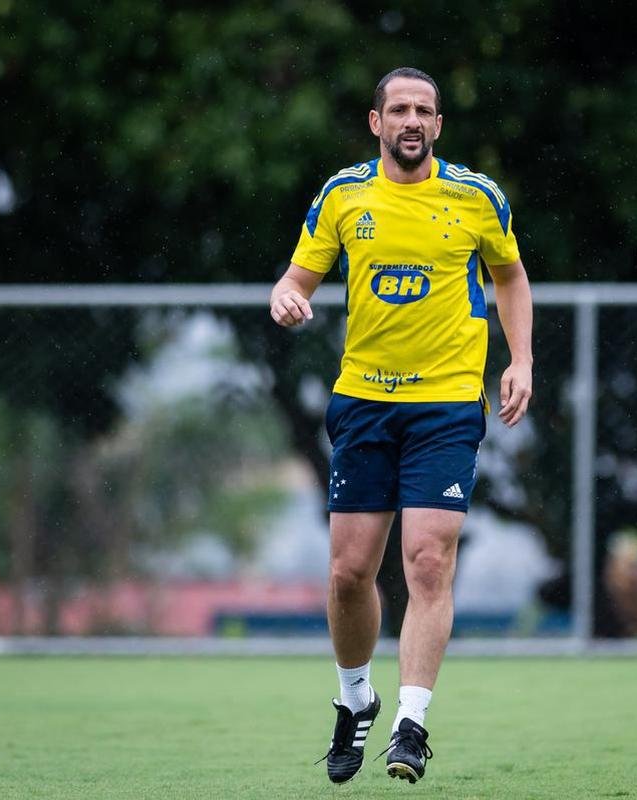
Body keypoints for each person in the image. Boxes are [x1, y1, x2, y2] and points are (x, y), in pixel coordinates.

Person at [270, 66, 533, 785]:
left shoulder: (476, 197)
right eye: (399, 110)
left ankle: (410, 723)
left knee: (427, 561)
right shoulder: (343, 195)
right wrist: (285, 297)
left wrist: (520, 361)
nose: (411, 120)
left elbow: (510, 275)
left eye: (423, 110)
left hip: (447, 405)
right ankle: (355, 698)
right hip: (363, 402)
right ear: (376, 122)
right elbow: (297, 277)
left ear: (438, 125)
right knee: (348, 573)